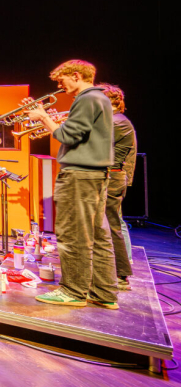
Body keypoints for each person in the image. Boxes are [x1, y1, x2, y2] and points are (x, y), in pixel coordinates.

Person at [27, 61, 117, 309]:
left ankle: (73, 291)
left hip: (79, 175)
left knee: (73, 235)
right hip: (94, 175)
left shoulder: (87, 99)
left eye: (61, 80)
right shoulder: (100, 99)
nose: (59, 86)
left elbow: (67, 136)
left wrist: (44, 117)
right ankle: (104, 292)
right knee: (98, 235)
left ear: (76, 76)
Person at [98, 83, 136, 291]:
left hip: (112, 178)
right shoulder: (112, 120)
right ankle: (115, 270)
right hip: (110, 177)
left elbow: (93, 145)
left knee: (112, 225)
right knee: (110, 225)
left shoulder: (116, 122)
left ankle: (121, 274)